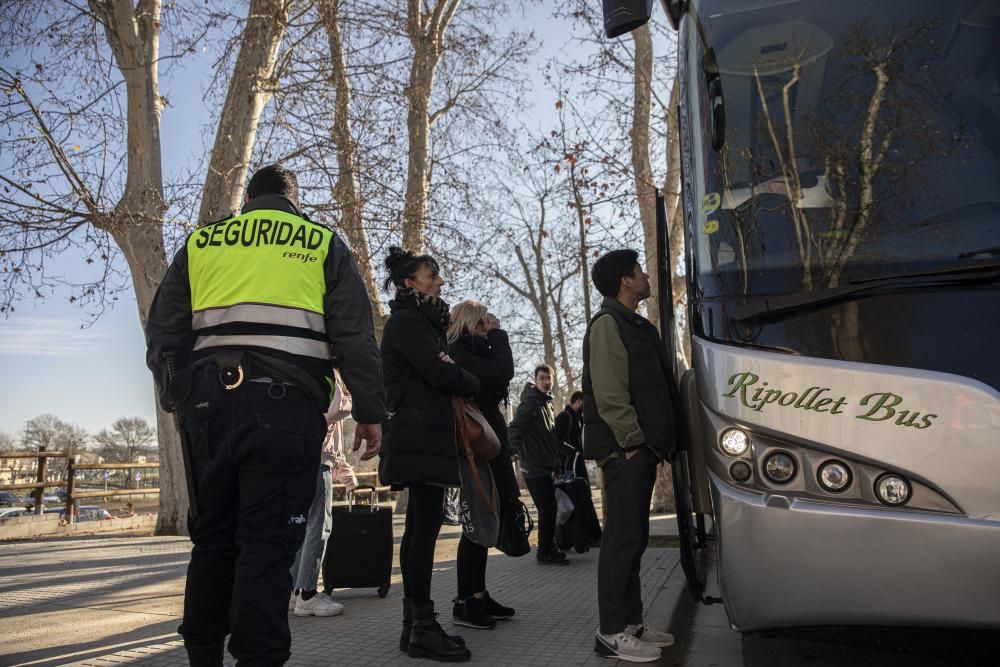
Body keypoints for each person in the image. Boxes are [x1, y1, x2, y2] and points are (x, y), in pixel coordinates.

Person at [145, 164, 385, 667]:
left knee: (211, 542)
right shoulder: (319, 243)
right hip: (284, 408)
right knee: (267, 548)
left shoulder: (203, 242)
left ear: (249, 198)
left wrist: (176, 398)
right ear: (292, 200)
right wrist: (369, 410)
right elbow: (354, 337)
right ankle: (258, 658)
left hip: (206, 407)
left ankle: (203, 656)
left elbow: (164, 329)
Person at [378, 246, 479, 663]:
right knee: (423, 534)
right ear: (410, 283)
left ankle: (413, 626)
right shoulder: (408, 322)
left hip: (421, 436)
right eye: (431, 275)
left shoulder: (420, 322)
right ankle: (422, 627)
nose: (439, 281)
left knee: (421, 530)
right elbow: (440, 371)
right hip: (419, 436)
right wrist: (472, 381)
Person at [582, 249, 677, 662]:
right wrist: (632, 440)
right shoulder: (608, 324)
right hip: (625, 452)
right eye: (639, 272)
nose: (645, 277)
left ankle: (632, 623)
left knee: (634, 540)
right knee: (620, 541)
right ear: (625, 280)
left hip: (640, 449)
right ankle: (609, 633)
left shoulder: (633, 324)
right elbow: (609, 394)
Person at [445, 300, 518, 630]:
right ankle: (465, 601)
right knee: (476, 525)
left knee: (487, 520)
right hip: (475, 448)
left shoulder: (475, 350)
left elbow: (499, 377)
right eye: (481, 325)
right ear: (467, 325)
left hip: (489, 444)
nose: (487, 330)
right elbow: (504, 371)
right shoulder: (461, 352)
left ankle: (478, 593)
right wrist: (499, 334)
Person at [289, 371, 358, 617]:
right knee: (319, 526)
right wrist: (354, 395)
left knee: (305, 527)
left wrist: (344, 471)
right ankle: (307, 593)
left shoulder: (304, 369)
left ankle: (295, 590)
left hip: (306, 457)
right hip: (317, 459)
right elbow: (336, 407)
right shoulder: (328, 371)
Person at [508, 364, 566, 565]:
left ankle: (549, 547)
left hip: (546, 466)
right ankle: (544, 551)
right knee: (547, 508)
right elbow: (516, 428)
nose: (546, 382)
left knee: (549, 508)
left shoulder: (547, 403)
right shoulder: (530, 403)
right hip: (533, 466)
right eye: (542, 378)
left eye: (549, 378)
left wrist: (556, 465)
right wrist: (511, 451)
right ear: (536, 380)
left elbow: (551, 439)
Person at [555, 391, 587, 482]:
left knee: (583, 492)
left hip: (578, 466)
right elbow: (556, 442)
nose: (586, 408)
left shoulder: (578, 419)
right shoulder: (564, 416)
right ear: (579, 402)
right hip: (567, 469)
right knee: (570, 491)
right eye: (585, 404)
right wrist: (573, 452)